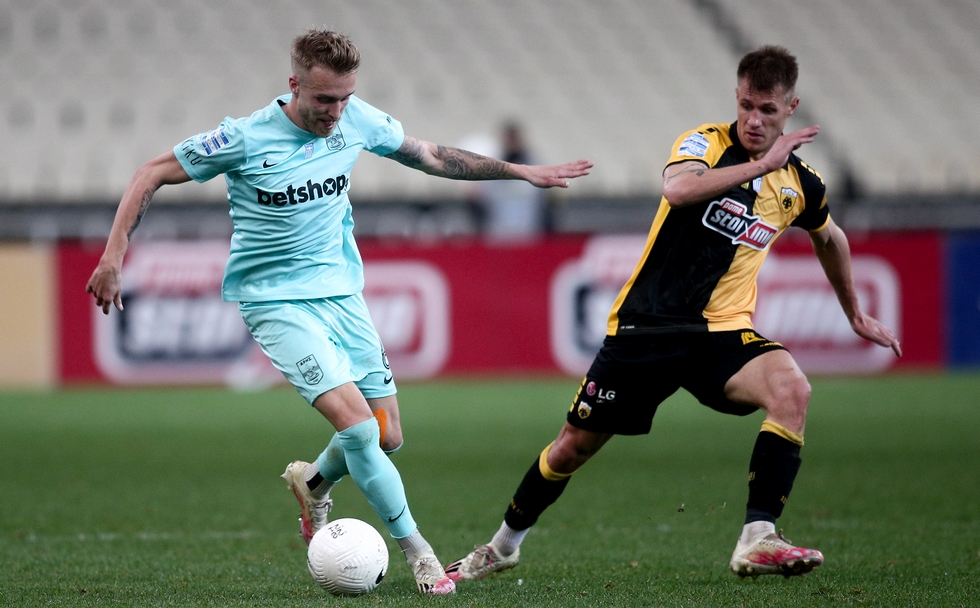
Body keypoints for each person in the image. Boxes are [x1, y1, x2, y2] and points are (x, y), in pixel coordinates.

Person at [85, 28, 592, 596]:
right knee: (358, 428)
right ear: (294, 84)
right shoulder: (244, 138)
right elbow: (150, 173)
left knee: (387, 434)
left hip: (342, 295)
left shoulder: (356, 118)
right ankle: (420, 554)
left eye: (345, 98)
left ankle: (314, 483)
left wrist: (520, 173)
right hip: (275, 301)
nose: (336, 112)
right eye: (324, 99)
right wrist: (113, 257)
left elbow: (431, 156)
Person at [445, 45, 901, 583]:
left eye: (768, 110)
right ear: (736, 97)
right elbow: (678, 188)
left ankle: (758, 536)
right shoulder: (704, 143)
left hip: (721, 334)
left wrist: (854, 312)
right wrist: (760, 165)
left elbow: (831, 237)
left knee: (792, 390)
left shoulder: (801, 184)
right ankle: (502, 546)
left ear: (790, 108)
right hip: (647, 328)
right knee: (571, 448)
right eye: (747, 105)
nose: (755, 120)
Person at [474, 121, 549, 242]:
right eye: (509, 138)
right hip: (498, 235)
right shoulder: (491, 166)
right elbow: (481, 197)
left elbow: (542, 201)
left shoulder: (535, 165)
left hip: (529, 234)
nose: (512, 143)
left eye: (514, 138)